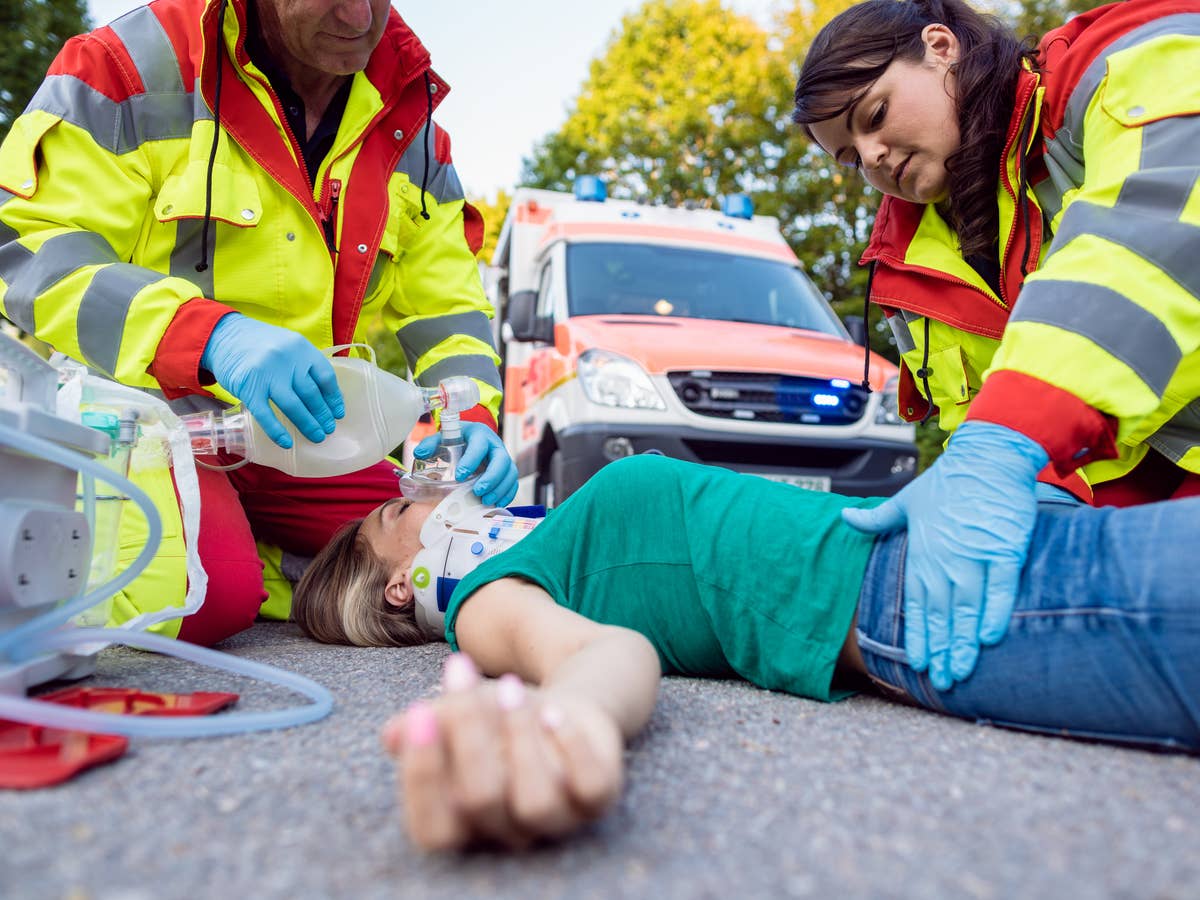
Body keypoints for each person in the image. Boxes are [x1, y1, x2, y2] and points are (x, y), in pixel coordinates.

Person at [292, 453, 1199, 850]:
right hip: (916, 602)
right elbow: (604, 657)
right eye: (399, 509)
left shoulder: (537, 532)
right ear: (404, 582)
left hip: (939, 542)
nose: (430, 490)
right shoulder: (490, 600)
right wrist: (567, 725)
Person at [0, 0, 517, 645]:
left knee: (438, 547)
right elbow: (28, 250)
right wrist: (209, 336)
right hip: (152, 415)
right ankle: (237, 569)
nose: (360, 17)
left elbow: (448, 306)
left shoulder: (410, 119)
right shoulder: (126, 68)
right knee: (202, 599)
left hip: (302, 424)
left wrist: (465, 424)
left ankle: (244, 553)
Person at [790, 0, 1200, 691]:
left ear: (942, 46)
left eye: (874, 116)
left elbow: (1154, 237)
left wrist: (1007, 440)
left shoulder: (1126, 62)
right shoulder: (907, 271)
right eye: (849, 156)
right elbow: (975, 428)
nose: (872, 158)